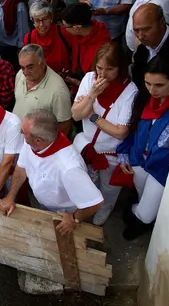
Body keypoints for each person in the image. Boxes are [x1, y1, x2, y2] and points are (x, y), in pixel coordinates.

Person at [118, 54, 169, 239]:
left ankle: (138, 219)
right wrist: (125, 152)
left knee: (146, 213)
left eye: (159, 85)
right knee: (142, 197)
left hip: (162, 169)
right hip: (139, 160)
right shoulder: (146, 97)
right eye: (148, 83)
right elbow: (133, 128)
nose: (152, 90)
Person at [0, 109, 104, 235]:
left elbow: (95, 202)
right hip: (46, 205)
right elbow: (21, 168)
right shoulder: (32, 142)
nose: (20, 132)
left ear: (38, 140)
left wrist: (75, 218)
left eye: (24, 132)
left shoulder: (69, 167)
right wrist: (11, 196)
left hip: (64, 212)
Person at [71, 42, 138, 225]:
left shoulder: (129, 91)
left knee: (109, 188)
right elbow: (76, 114)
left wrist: (92, 116)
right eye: (99, 68)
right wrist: (92, 95)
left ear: (120, 68)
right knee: (87, 182)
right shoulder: (89, 79)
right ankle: (88, 206)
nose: (102, 74)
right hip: (88, 146)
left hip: (111, 152)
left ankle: (106, 207)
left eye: (109, 69)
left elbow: (121, 132)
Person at [13, 45, 73, 135]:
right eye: (22, 67)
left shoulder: (59, 90)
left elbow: (65, 125)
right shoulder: (20, 74)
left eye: (30, 67)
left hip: (38, 143)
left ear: (42, 62)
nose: (25, 72)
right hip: (17, 135)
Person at [61, 2, 111, 90]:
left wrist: (79, 84)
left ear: (76, 28)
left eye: (65, 26)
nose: (63, 29)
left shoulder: (104, 48)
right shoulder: (80, 35)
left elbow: (102, 83)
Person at [23, 1, 70, 75]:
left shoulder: (63, 32)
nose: (41, 24)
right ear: (33, 21)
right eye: (37, 20)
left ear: (51, 18)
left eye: (45, 19)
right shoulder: (29, 38)